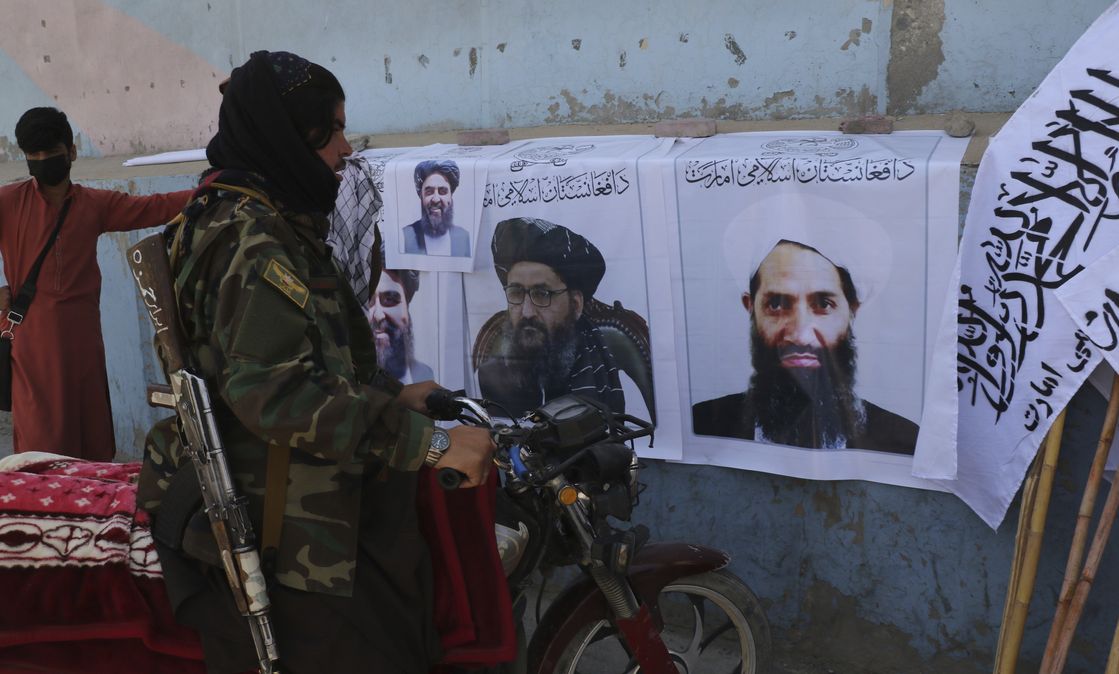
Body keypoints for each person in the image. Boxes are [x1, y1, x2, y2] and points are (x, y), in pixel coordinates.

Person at [137, 51, 494, 674]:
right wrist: (430, 445)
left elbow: (305, 353)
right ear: (289, 137)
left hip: (301, 497)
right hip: (291, 530)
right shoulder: (253, 237)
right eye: (331, 131)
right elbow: (275, 393)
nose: (344, 149)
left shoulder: (260, 217)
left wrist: (391, 394)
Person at [0, 107, 191, 461]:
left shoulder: (94, 204)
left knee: (92, 441)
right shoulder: (8, 202)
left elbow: (156, 206)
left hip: (84, 341)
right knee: (43, 447)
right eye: (33, 155)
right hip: (33, 345)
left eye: (49, 152)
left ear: (71, 152)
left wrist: (212, 190)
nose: (41, 161)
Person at [691, 228, 919, 454]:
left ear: (852, 310)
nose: (801, 335)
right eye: (776, 304)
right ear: (750, 307)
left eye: (823, 304)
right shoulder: (702, 425)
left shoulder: (901, 441)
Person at [477, 216, 646, 420]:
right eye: (516, 293)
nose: (527, 312)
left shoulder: (615, 383)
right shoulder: (486, 379)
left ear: (575, 304)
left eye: (542, 294)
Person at [367, 261, 435, 383]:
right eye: (368, 301)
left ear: (406, 306)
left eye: (390, 299)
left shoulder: (426, 375)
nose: (378, 315)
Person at [402, 160, 471, 256]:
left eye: (442, 191)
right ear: (421, 196)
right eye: (429, 192)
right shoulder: (404, 236)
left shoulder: (463, 237)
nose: (435, 199)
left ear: (451, 196)